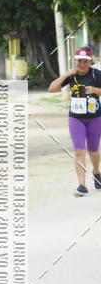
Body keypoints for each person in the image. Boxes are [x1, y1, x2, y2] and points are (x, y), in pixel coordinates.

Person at [49, 46, 101, 196]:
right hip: (76, 118)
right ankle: (82, 186)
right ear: (75, 62)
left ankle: (97, 173)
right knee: (79, 151)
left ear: (90, 62)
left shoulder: (96, 74)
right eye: (79, 62)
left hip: (94, 118)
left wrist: (96, 90)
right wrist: (66, 74)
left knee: (93, 152)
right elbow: (52, 89)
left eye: (85, 62)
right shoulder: (71, 76)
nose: (82, 65)